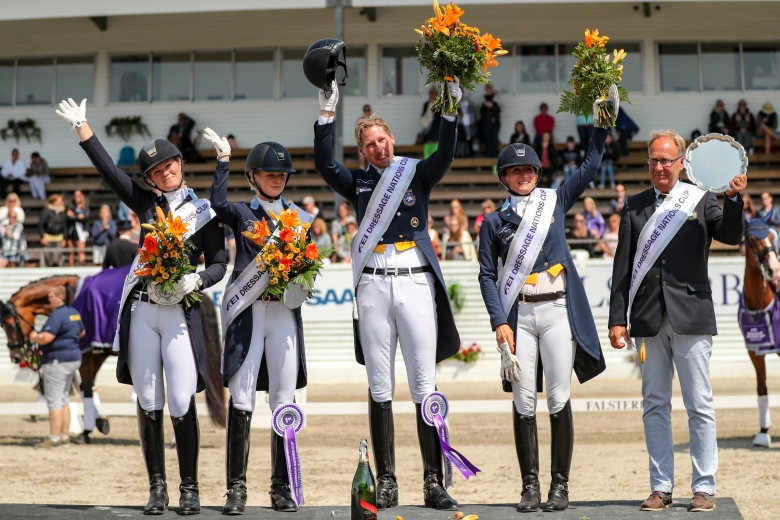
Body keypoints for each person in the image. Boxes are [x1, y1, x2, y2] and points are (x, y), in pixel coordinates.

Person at [56, 97, 227, 515]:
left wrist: (198, 279)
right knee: (148, 400)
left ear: (180, 165)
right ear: (150, 179)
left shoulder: (205, 212)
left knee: (181, 399)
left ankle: (189, 489)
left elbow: (220, 263)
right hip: (143, 310)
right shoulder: (147, 205)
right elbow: (109, 172)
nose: (165, 173)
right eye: (157, 171)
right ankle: (157, 488)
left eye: (170, 165)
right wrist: (82, 127)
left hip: (180, 312)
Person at [314, 78, 464, 511]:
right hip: (374, 285)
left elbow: (446, 153)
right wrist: (327, 114)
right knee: (380, 385)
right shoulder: (358, 183)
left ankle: (433, 481)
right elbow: (325, 164)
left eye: (382, 140)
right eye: (370, 144)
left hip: (414, 281)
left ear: (392, 139)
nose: (378, 148)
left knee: (424, 383)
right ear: (362, 151)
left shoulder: (416, 172)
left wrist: (449, 111)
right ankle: (387, 481)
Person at [477, 98, 609, 513]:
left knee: (558, 397)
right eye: (516, 171)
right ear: (504, 177)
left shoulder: (554, 200)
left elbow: (589, 166)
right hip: (520, 315)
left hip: (556, 312)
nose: (524, 175)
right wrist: (498, 321)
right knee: (523, 401)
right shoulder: (493, 223)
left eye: (530, 170)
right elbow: (486, 275)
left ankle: (560, 486)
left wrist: (601, 124)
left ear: (538, 173)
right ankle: (529, 487)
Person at [608, 129, 746, 513]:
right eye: (653, 160)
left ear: (681, 162)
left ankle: (704, 487)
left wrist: (733, 199)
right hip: (647, 319)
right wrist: (617, 318)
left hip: (691, 315)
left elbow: (731, 235)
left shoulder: (702, 197)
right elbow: (623, 266)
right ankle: (660, 487)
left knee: (699, 403)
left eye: (666, 160)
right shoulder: (634, 206)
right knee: (654, 404)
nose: (659, 167)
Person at [206, 128, 311, 514]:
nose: (277, 179)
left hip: (283, 312)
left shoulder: (299, 220)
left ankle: (281, 487)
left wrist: (301, 283)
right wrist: (223, 162)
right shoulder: (242, 213)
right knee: (243, 397)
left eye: (282, 175)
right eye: (270, 174)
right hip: (248, 312)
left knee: (284, 399)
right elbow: (217, 203)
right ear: (253, 176)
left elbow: (306, 269)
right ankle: (236, 488)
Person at [29, 285, 85, 447]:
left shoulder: (56, 315)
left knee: (54, 400)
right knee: (63, 399)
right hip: (73, 358)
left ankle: (54, 438)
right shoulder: (74, 312)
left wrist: (34, 336)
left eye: (51, 296)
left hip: (57, 360)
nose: (49, 299)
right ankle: (64, 436)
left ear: (60, 297)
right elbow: (82, 332)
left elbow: (46, 337)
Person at [39, 193, 68, 267]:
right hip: (48, 237)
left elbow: (65, 226)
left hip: (59, 238)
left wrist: (64, 238)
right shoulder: (46, 211)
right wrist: (42, 236)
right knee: (48, 257)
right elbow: (41, 224)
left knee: (58, 257)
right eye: (60, 201)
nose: (62, 203)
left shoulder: (63, 212)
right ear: (54, 202)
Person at [480, 84, 501, 157]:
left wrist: (493, 106)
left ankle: (494, 156)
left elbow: (502, 108)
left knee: (494, 140)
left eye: (490, 88)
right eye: (488, 88)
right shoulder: (482, 99)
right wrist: (485, 105)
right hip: (486, 124)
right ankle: (488, 156)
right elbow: (478, 109)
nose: (489, 90)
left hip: (495, 123)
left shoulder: (497, 98)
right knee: (487, 140)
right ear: (485, 89)